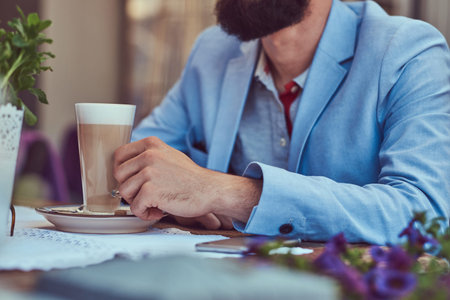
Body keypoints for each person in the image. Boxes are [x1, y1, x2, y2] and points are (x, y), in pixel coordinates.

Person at [113, 0, 450, 245]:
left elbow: (426, 214)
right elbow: (137, 164)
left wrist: (223, 192)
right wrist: (174, 196)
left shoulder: (408, 51)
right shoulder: (212, 50)